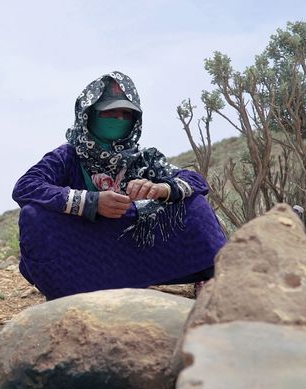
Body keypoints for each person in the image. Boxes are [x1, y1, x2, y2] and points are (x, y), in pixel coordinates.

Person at [12, 71, 227, 300]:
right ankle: (66, 293)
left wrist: (162, 189)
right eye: (109, 112)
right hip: (86, 251)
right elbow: (26, 186)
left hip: (136, 249)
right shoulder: (67, 156)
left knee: (194, 204)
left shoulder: (144, 158)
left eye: (127, 113)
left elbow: (195, 180)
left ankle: (212, 276)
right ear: (88, 115)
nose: (119, 119)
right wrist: (91, 203)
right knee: (34, 216)